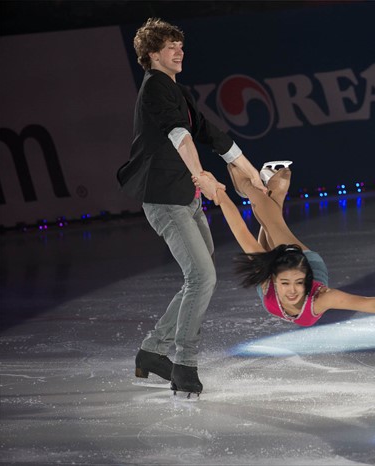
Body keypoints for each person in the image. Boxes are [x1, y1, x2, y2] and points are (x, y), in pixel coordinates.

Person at [116, 18, 265, 395]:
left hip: (185, 196)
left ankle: (152, 351)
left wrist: (251, 172)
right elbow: (179, 135)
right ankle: (184, 364)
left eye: (180, 45)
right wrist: (201, 176)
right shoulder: (154, 88)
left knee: (199, 278)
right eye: (171, 47)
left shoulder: (176, 90)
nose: (179, 51)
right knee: (201, 277)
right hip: (165, 198)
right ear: (153, 55)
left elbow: (208, 132)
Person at [192, 164, 375, 327]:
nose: (293, 291)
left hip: (297, 263)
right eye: (286, 283)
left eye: (298, 282)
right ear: (273, 279)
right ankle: (250, 186)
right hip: (298, 259)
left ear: (306, 279)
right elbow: (239, 229)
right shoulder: (268, 276)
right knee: (273, 224)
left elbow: (369, 304)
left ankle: (273, 195)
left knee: (271, 224)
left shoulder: (319, 298)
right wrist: (218, 192)